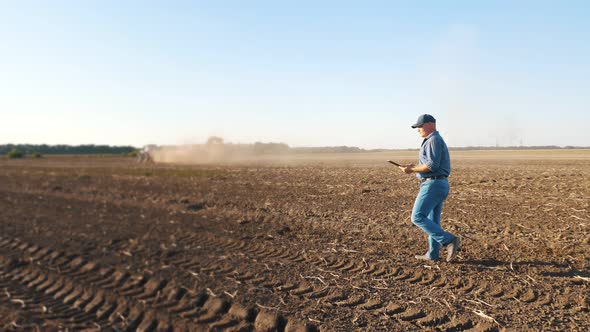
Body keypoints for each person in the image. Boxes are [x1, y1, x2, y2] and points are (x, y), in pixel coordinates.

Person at [398, 114, 460, 262]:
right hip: (439, 184)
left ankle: (449, 240)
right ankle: (433, 254)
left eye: (420, 126)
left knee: (417, 217)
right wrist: (413, 167)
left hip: (432, 184)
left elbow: (432, 166)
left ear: (430, 124)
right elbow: (429, 164)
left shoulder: (433, 140)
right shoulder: (433, 140)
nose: (418, 129)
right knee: (433, 221)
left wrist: (411, 170)